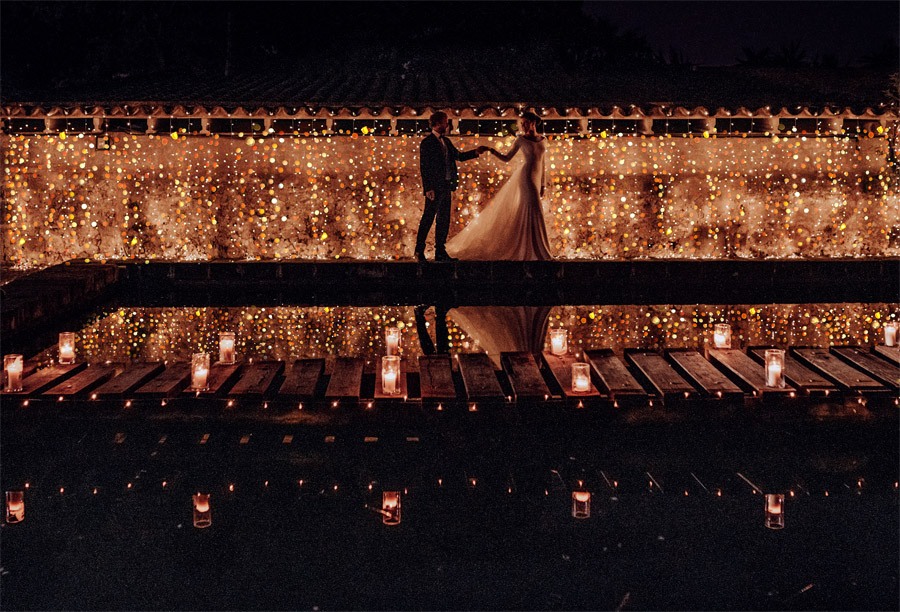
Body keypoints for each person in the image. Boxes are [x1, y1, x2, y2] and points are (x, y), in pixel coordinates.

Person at [445, 111, 553, 261]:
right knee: (531, 207)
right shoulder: (521, 140)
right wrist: (491, 150)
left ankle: (534, 247)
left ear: (533, 122)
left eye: (525, 123)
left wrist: (542, 184)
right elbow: (507, 158)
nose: (523, 126)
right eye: (521, 124)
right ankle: (528, 248)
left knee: (533, 209)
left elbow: (543, 163)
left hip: (536, 177)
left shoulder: (543, 140)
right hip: (526, 177)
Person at [415, 111, 488, 262]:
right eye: (445, 122)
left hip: (446, 186)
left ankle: (440, 252)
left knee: (444, 219)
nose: (447, 125)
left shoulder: (446, 142)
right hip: (434, 188)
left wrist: (475, 152)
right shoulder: (427, 143)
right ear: (437, 124)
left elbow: (459, 156)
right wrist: (428, 188)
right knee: (428, 218)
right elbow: (424, 167)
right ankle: (418, 250)